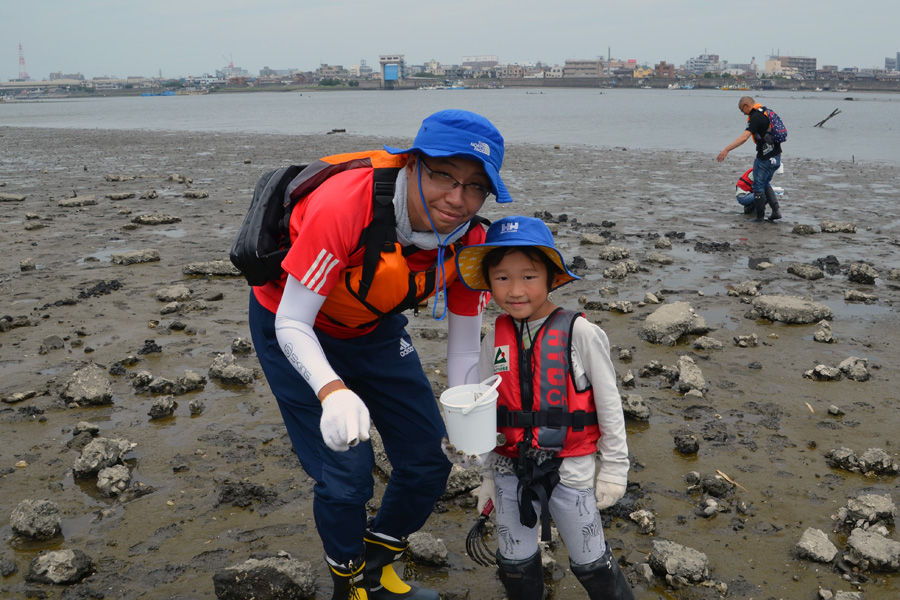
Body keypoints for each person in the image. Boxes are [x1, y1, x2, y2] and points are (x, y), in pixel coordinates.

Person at [247, 109, 513, 600]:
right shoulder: (346, 206)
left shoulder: (470, 244)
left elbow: (461, 348)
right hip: (292, 321)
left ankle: (378, 568)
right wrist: (331, 391)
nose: (458, 199)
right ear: (412, 164)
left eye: (476, 186)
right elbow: (292, 321)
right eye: (443, 176)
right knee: (346, 471)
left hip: (372, 328)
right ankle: (347, 587)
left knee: (431, 460)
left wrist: (472, 422)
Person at [454, 216, 634, 600]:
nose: (515, 290)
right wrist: (486, 475)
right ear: (489, 283)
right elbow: (486, 411)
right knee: (514, 564)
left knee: (591, 562)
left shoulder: (580, 332)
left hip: (570, 469)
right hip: (508, 469)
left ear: (553, 278)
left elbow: (609, 403)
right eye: (501, 278)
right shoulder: (494, 338)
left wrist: (615, 470)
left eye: (529, 277)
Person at [716, 96, 783, 222]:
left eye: (743, 110)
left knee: (758, 187)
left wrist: (727, 149)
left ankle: (759, 217)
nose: (744, 113)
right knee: (765, 184)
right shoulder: (768, 112)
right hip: (776, 156)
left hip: (764, 157)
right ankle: (775, 211)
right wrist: (779, 155)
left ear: (746, 105)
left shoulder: (755, 117)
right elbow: (776, 136)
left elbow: (744, 138)